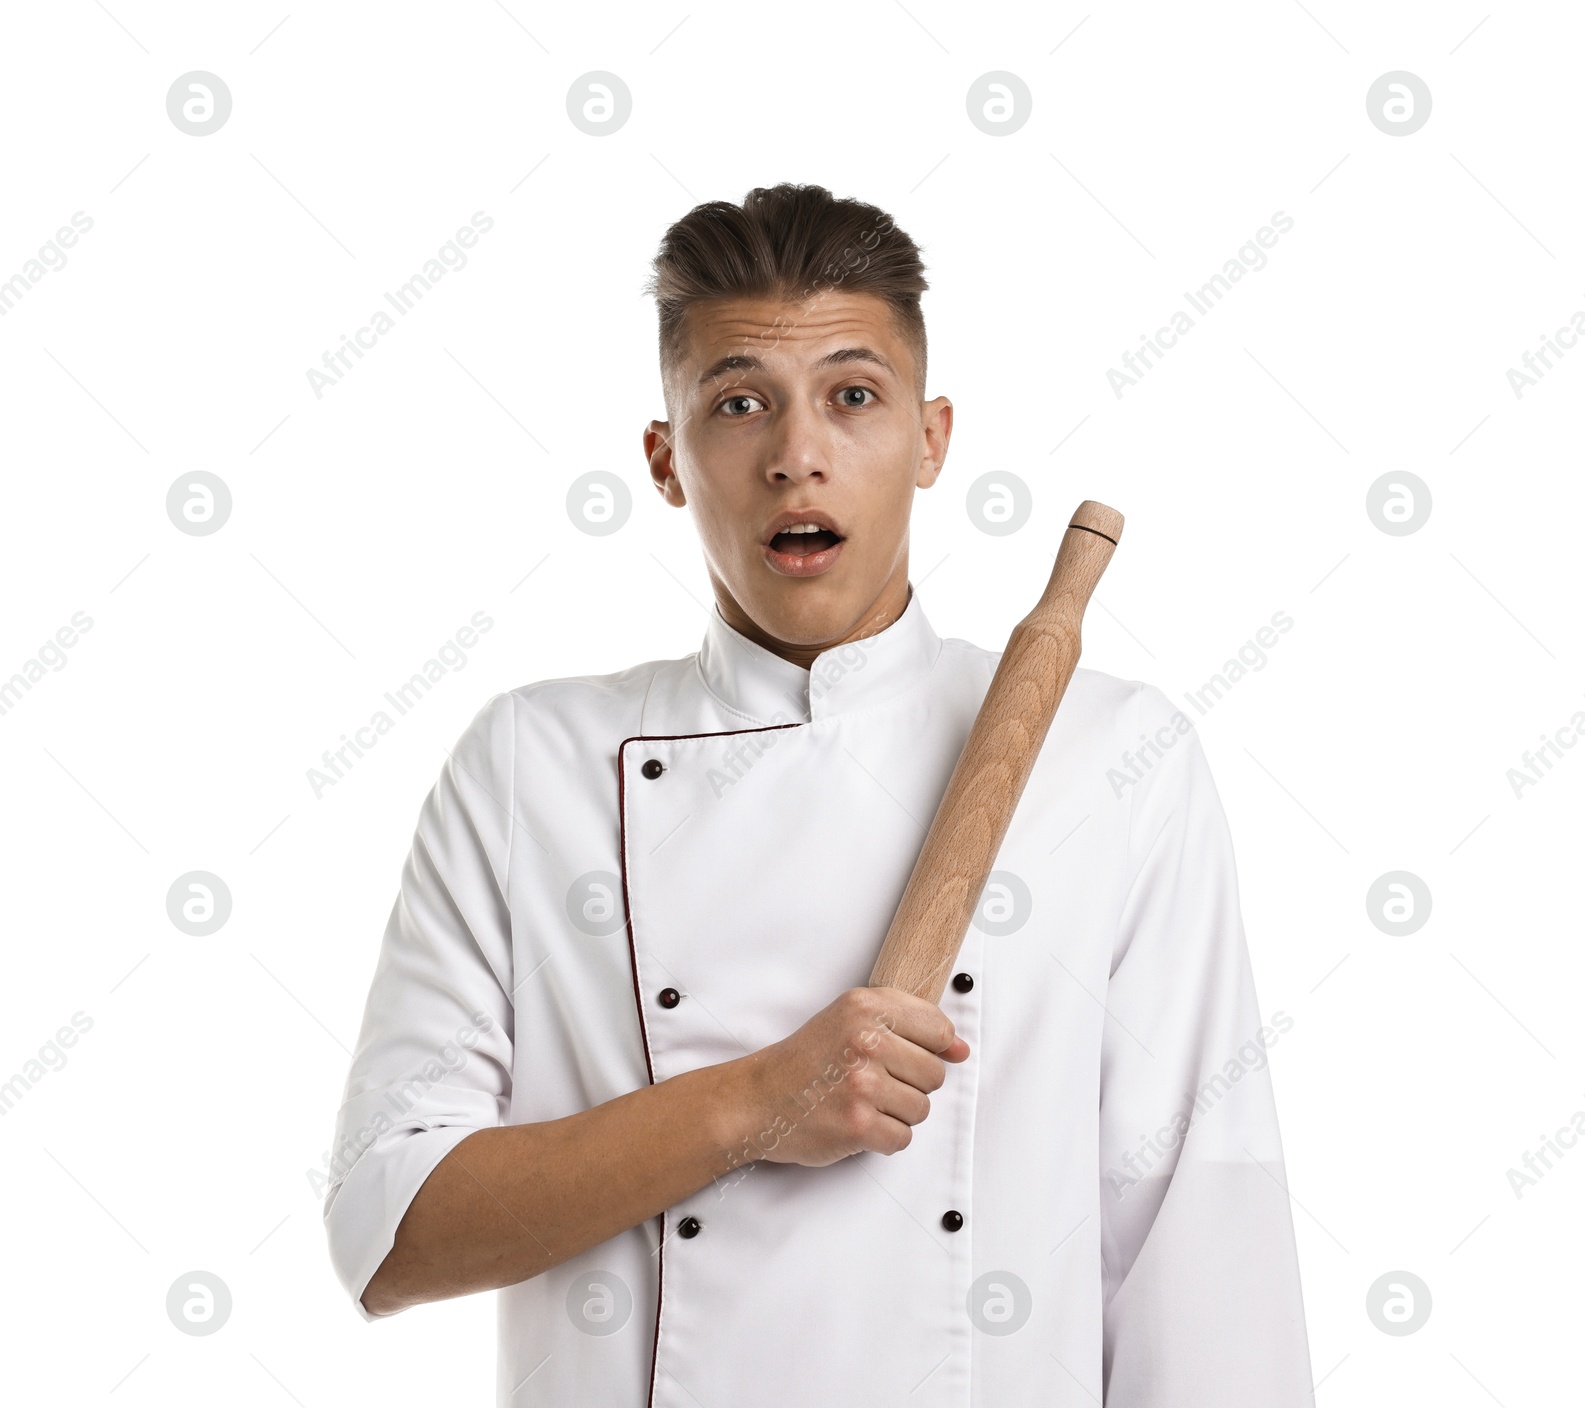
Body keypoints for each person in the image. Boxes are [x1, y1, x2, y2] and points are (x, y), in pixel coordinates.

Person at [322, 182, 1316, 1406]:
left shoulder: (1113, 755)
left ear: (932, 435)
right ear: (665, 458)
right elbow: (386, 1229)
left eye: (854, 396)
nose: (798, 454)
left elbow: (1200, 1251)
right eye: (739, 403)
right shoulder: (532, 764)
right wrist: (750, 1102)